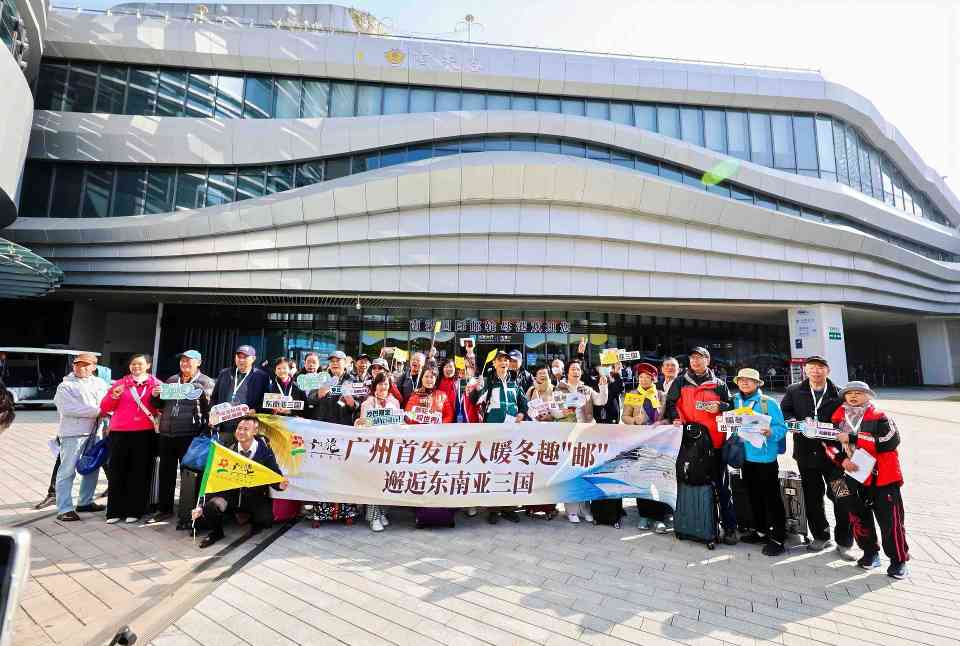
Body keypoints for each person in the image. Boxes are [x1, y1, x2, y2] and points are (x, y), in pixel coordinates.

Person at [829, 382, 909, 578]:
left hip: (882, 477)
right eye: (849, 393)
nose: (853, 396)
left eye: (858, 393)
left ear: (868, 395)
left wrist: (854, 438)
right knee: (855, 516)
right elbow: (828, 443)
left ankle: (899, 560)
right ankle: (870, 553)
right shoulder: (836, 417)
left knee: (891, 521)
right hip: (845, 476)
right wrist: (842, 459)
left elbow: (891, 441)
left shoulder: (880, 416)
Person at [779, 355, 854, 559]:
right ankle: (821, 536)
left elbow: (849, 419)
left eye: (820, 367)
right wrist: (792, 422)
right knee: (812, 498)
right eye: (811, 367)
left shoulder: (839, 393)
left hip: (834, 458)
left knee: (841, 496)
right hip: (806, 455)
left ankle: (845, 542)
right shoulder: (794, 390)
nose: (815, 371)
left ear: (827, 370)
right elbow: (785, 410)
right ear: (806, 370)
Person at [664, 347, 737, 544]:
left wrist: (721, 406)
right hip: (689, 444)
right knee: (686, 481)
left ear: (708, 360)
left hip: (715, 443)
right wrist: (675, 418)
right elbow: (671, 404)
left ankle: (730, 527)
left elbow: (732, 406)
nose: (695, 361)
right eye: (692, 358)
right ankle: (688, 522)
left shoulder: (719, 384)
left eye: (699, 358)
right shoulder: (680, 381)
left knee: (722, 486)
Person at [191, 415, 289, 548]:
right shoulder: (228, 450)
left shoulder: (264, 451)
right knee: (210, 508)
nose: (241, 432)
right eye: (239, 428)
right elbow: (214, 478)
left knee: (265, 521)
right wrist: (201, 505)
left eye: (246, 429)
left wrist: (280, 485)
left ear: (255, 431)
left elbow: (273, 474)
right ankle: (217, 532)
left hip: (254, 496)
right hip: (231, 496)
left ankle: (246, 517)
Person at [148, 350, 215, 525]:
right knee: (166, 473)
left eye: (189, 361)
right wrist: (154, 396)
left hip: (190, 435)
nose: (184, 364)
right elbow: (158, 405)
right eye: (182, 361)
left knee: (190, 475)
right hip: (167, 433)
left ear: (198, 363)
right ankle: (164, 509)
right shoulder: (171, 380)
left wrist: (203, 430)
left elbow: (210, 410)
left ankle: (187, 513)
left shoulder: (206, 382)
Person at [99, 354, 162, 524]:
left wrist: (158, 397)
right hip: (120, 433)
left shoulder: (157, 384)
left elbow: (162, 408)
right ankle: (114, 511)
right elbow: (104, 407)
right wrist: (114, 396)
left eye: (140, 364)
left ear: (148, 365)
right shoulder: (120, 383)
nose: (136, 367)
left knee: (140, 472)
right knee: (117, 471)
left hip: (145, 433)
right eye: (133, 364)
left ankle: (135, 510)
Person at [731, 368, 788, 556]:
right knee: (753, 496)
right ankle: (760, 531)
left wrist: (771, 432)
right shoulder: (735, 400)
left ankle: (778, 538)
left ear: (757, 383)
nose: (744, 383)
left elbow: (782, 427)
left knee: (771, 498)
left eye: (749, 380)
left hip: (765, 458)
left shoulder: (768, 402)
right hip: (745, 457)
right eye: (741, 380)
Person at [470, 350, 528, 524]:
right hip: (493, 433)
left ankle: (508, 508)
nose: (504, 362)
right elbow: (475, 400)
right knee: (494, 470)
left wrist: (522, 413)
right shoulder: (489, 382)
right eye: (500, 360)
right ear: (494, 363)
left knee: (511, 469)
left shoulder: (514, 382)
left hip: (512, 433)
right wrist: (477, 388)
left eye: (506, 360)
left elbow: (523, 403)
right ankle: (493, 509)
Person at [52, 353, 109, 521]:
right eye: (77, 364)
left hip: (96, 432)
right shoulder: (65, 386)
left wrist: (107, 418)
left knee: (92, 467)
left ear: (94, 367)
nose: (80, 368)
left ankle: (85, 502)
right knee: (67, 470)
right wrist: (98, 411)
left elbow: (108, 403)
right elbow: (68, 409)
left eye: (85, 365)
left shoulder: (100, 383)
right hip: (73, 433)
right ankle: (64, 509)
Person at [622, 362, 673, 533]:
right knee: (641, 478)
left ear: (654, 379)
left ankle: (659, 518)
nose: (643, 380)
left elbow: (670, 417)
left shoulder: (661, 395)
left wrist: (663, 422)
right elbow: (624, 417)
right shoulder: (633, 394)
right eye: (641, 377)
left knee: (659, 478)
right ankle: (644, 515)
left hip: (660, 443)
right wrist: (634, 420)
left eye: (647, 377)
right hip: (641, 442)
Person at [555, 360, 608, 523]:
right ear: (567, 372)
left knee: (585, 472)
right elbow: (554, 411)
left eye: (578, 369)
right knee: (570, 473)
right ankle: (571, 510)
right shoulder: (559, 389)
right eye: (573, 369)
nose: (576, 371)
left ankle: (585, 509)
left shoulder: (586, 389)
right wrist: (562, 412)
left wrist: (603, 386)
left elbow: (601, 401)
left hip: (586, 434)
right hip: (568, 434)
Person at [356, 373, 403, 531]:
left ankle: (383, 512)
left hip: (390, 447)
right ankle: (373, 517)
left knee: (387, 481)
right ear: (375, 385)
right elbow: (363, 425)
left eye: (386, 384)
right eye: (380, 383)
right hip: (373, 448)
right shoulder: (367, 403)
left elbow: (399, 424)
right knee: (373, 482)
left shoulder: (394, 402)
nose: (383, 387)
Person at [210, 345, 271, 444]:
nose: (241, 360)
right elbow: (214, 398)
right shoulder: (224, 373)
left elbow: (265, 401)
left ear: (253, 359)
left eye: (245, 357)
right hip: (224, 427)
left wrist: (256, 410)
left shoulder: (261, 376)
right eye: (239, 357)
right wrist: (212, 414)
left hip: (247, 428)